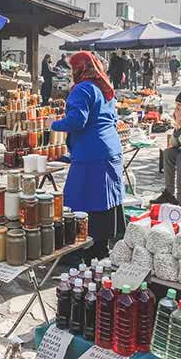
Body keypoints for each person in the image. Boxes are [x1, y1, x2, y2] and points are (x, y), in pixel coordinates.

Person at [51, 51, 124, 261]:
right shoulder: (105, 87)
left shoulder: (81, 89)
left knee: (81, 200)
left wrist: (53, 124)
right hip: (110, 149)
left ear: (78, 69)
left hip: (91, 153)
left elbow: (76, 121)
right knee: (105, 200)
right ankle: (101, 248)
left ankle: (78, 251)